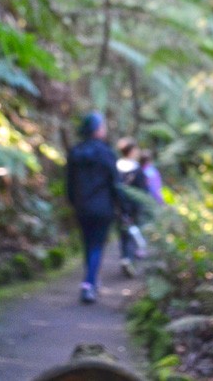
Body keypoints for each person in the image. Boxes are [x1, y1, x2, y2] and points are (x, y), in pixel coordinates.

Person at [66, 111, 122, 303]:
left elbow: (70, 184)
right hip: (103, 208)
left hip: (82, 207)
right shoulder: (107, 154)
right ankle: (89, 285)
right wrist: (123, 207)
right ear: (97, 130)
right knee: (97, 245)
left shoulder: (75, 153)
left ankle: (91, 280)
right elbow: (116, 184)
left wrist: (74, 202)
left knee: (88, 244)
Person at [115, 137, 147, 273]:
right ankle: (130, 259)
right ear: (132, 150)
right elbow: (142, 189)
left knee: (123, 232)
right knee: (133, 231)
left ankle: (125, 257)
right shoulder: (137, 168)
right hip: (133, 206)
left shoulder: (116, 167)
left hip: (119, 206)